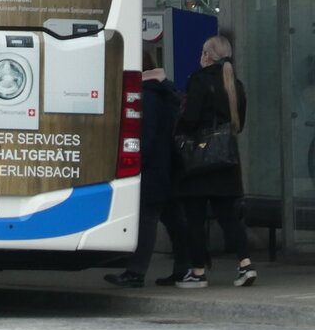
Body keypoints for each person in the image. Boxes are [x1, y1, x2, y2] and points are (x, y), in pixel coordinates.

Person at [173, 35, 256, 288]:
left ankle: (198, 273)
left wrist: (179, 131)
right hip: (226, 158)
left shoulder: (199, 81)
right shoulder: (236, 83)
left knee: (195, 218)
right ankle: (245, 265)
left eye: (202, 52)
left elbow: (190, 118)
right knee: (228, 217)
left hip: (200, 160)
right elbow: (239, 122)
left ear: (208, 55)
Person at [104, 51, 188, 287]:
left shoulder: (147, 97)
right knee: (173, 220)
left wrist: (136, 164)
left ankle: (136, 272)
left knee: (147, 219)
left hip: (153, 168)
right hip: (168, 165)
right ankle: (185, 267)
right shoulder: (163, 92)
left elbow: (145, 137)